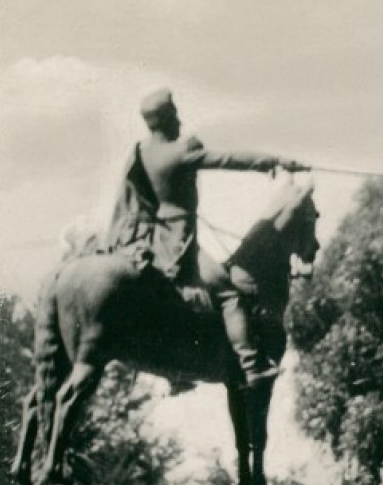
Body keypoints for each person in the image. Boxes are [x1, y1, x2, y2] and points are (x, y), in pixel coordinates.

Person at [106, 88, 306, 387]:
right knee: (227, 293)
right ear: (167, 119)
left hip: (149, 241)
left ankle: (176, 374)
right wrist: (275, 161)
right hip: (177, 243)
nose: (180, 121)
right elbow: (228, 159)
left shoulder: (141, 153)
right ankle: (251, 366)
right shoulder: (181, 150)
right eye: (175, 115)